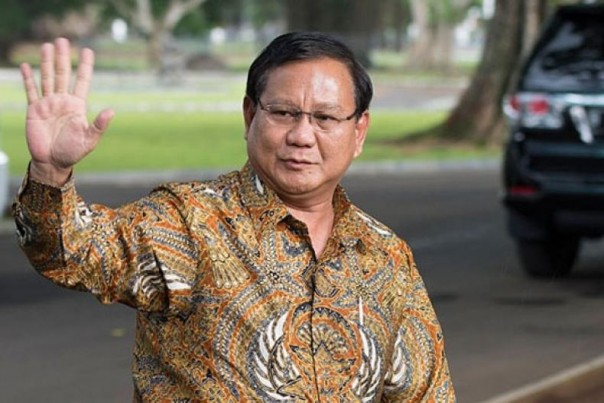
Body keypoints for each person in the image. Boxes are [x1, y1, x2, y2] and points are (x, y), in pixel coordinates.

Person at [12, 32, 455, 401]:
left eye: (325, 118)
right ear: (250, 115)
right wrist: (52, 173)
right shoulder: (188, 221)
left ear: (358, 132)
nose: (302, 135)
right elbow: (72, 252)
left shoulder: (385, 256)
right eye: (283, 113)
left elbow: (426, 392)